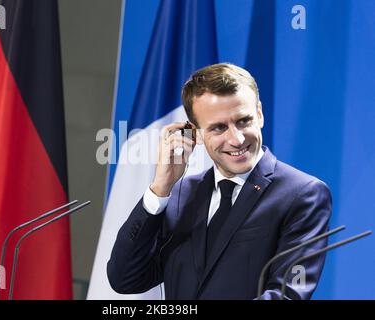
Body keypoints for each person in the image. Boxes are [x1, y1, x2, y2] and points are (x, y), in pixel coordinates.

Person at [107, 63, 332, 299]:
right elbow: (125, 279)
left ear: (260, 114)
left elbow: (287, 295)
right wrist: (159, 190)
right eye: (218, 128)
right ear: (195, 133)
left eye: (244, 121)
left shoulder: (303, 194)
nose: (236, 139)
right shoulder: (181, 194)